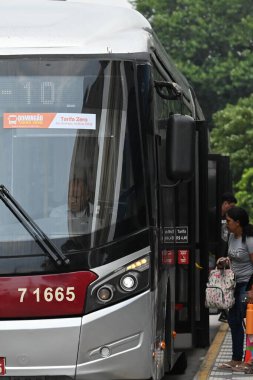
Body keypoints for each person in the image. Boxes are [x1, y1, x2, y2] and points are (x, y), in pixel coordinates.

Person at [219, 206, 253, 370]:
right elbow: (232, 258)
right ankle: (236, 358)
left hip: (247, 285)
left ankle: (249, 360)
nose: (227, 224)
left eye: (229, 221)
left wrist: (251, 289)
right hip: (235, 283)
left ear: (238, 222)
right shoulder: (232, 236)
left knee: (249, 320)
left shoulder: (250, 239)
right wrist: (224, 261)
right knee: (234, 321)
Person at [218, 192, 237, 323]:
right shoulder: (212, 214)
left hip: (222, 255)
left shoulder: (226, 217)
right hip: (213, 255)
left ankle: (224, 311)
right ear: (224, 204)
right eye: (230, 207)